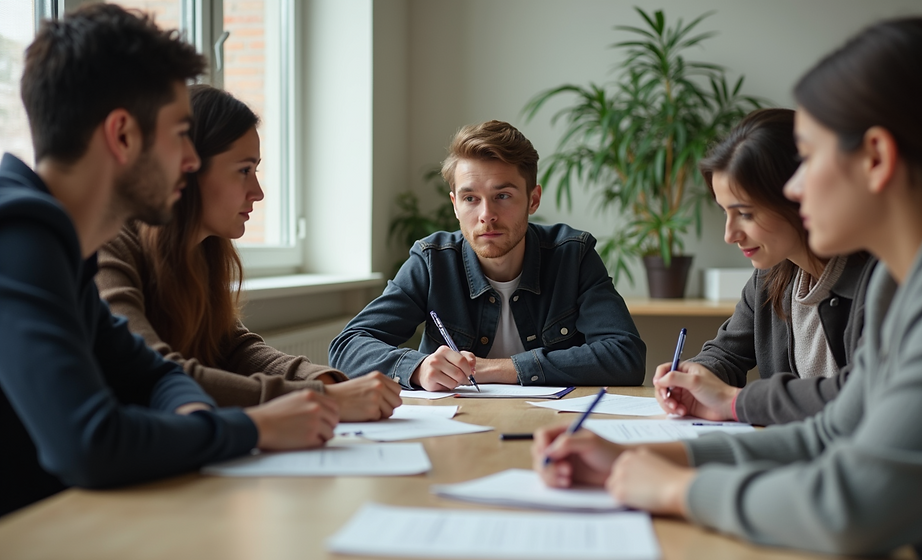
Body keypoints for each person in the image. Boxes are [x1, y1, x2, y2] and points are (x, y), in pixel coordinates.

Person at [533, 17, 922, 557]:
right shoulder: (902, 278)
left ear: (878, 158)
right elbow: (831, 433)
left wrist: (677, 490)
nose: (793, 185)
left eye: (809, 157)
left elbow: (850, 508)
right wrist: (648, 459)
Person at [0, 5, 338, 518]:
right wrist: (256, 427)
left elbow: (154, 376)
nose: (190, 159)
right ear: (122, 135)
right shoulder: (17, 238)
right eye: (181, 132)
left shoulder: (67, 249)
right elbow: (91, 443)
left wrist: (192, 421)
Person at [96, 85, 402, 421]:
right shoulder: (108, 246)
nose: (257, 192)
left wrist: (319, 379)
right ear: (187, 167)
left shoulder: (205, 250)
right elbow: (155, 371)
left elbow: (235, 348)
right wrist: (320, 397)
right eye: (244, 170)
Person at [329, 120, 646, 391]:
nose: (486, 215)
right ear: (455, 204)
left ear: (532, 200)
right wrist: (419, 367)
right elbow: (347, 347)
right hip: (454, 427)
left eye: (503, 196)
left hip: (552, 428)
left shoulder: (573, 256)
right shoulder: (431, 261)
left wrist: (493, 369)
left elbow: (625, 356)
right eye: (470, 198)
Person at [652, 108, 877, 426]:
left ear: (797, 193)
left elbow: (858, 396)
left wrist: (734, 402)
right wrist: (695, 377)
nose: (730, 235)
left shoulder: (878, 278)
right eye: (725, 212)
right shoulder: (772, 275)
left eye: (745, 213)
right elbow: (728, 353)